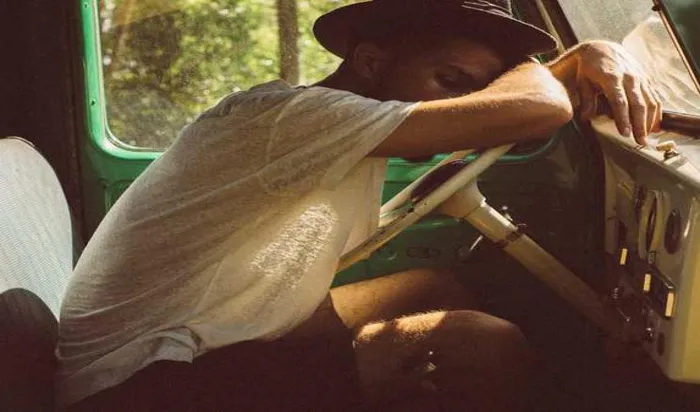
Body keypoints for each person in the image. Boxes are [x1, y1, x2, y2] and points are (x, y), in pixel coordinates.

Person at [57, 0, 661, 411]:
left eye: (477, 91)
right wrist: (575, 55)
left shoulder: (348, 127)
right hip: (137, 384)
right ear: (371, 63)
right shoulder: (292, 118)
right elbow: (539, 109)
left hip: (202, 335)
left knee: (431, 287)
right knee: (478, 344)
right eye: (452, 82)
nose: (465, 108)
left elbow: (290, 286)